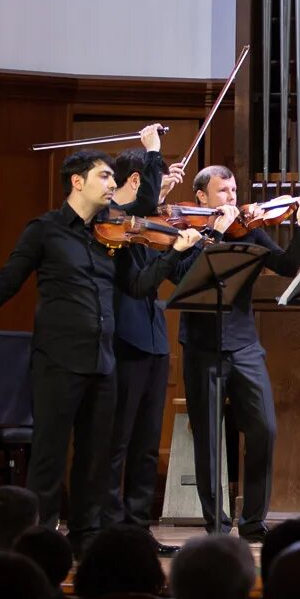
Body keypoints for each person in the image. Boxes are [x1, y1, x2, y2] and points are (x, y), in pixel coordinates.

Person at [0, 127, 202, 555]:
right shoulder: (45, 230)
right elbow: (8, 279)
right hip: (59, 359)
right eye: (104, 177)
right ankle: (36, 541)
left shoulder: (110, 236)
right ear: (77, 182)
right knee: (49, 456)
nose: (112, 184)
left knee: (95, 460)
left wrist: (173, 253)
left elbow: (136, 286)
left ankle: (85, 537)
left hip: (103, 362)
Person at [173, 167, 300, 541]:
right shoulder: (186, 234)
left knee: (264, 429)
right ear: (202, 197)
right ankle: (217, 524)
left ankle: (252, 521)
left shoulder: (249, 231)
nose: (231, 197)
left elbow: (286, 266)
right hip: (201, 346)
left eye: (234, 189)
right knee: (208, 439)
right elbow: (182, 278)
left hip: (244, 344)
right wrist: (214, 234)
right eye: (223, 191)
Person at [103, 147, 186, 556]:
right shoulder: (110, 224)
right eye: (154, 181)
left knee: (147, 443)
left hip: (153, 340)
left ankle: (138, 528)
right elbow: (136, 284)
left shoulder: (144, 219)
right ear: (136, 181)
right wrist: (173, 252)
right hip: (125, 338)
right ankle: (110, 526)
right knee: (118, 440)